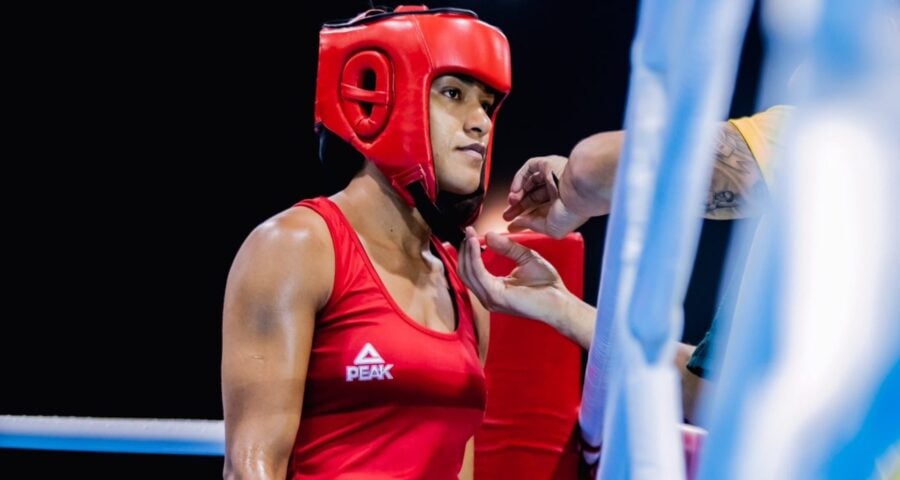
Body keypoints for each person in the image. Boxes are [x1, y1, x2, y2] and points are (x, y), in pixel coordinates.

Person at [221, 6, 511, 479]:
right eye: (453, 94)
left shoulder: (466, 285)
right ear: (380, 99)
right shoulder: (296, 247)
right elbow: (252, 465)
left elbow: (461, 465)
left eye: (487, 103)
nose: (480, 121)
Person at [457, 106, 792, 422]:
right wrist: (558, 306)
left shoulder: (825, 137)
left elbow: (592, 167)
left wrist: (572, 192)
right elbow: (713, 397)